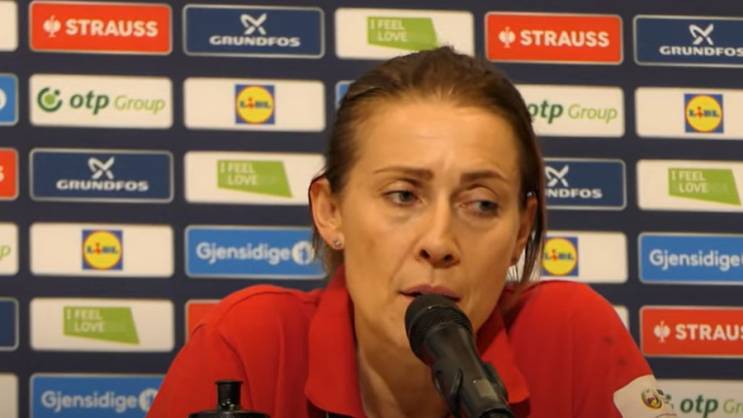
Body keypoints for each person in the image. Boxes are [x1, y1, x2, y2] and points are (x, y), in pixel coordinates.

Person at [147, 47, 676, 418]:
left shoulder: (571, 336)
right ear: (330, 211)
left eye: (482, 204)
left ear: (521, 231)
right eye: (403, 196)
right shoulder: (252, 344)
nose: (439, 242)